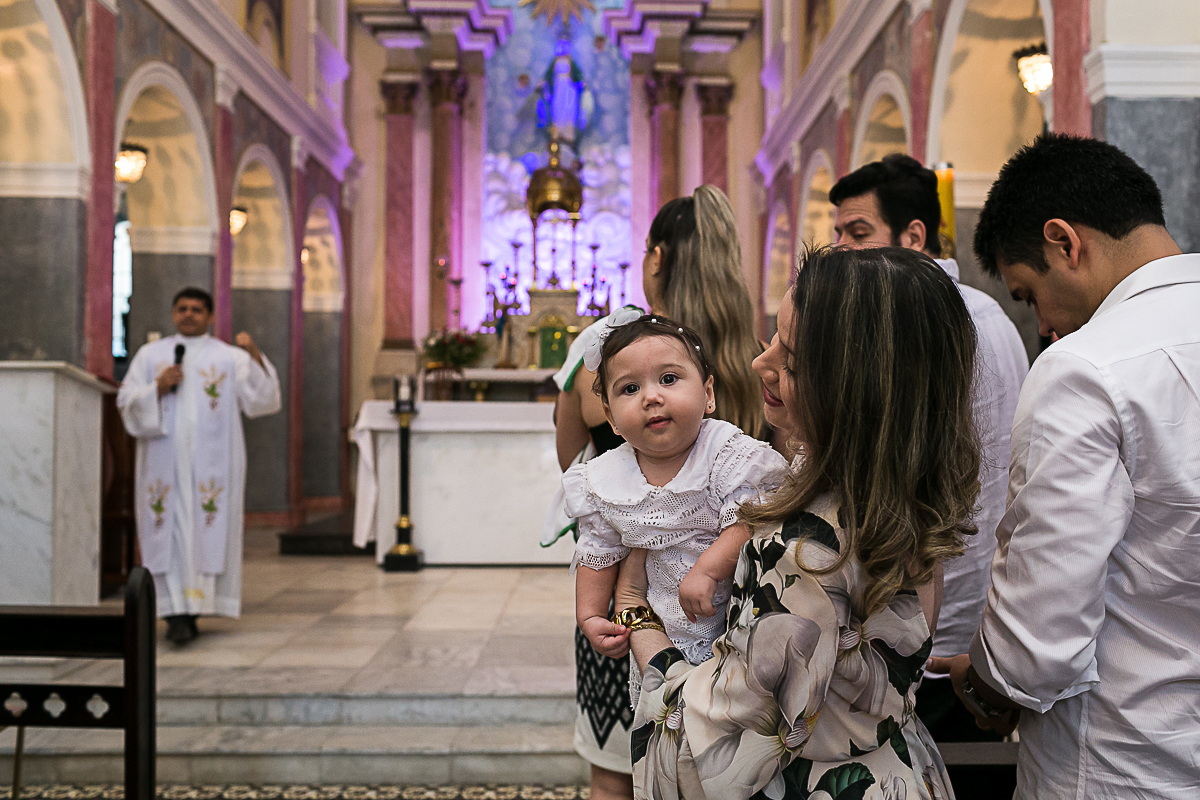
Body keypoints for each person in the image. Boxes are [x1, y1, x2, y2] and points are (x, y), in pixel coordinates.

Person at [617, 245, 981, 799]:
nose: (761, 363)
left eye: (789, 357)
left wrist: (638, 614)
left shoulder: (804, 549)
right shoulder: (900, 495)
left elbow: (707, 755)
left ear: (850, 385)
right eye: (773, 338)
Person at [926, 134, 1200, 799]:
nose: (1044, 321)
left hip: (1122, 761)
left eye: (1027, 294)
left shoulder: (1086, 367)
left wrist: (985, 682)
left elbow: (1040, 635)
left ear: (1063, 242)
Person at [549, 185, 766, 800]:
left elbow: (570, 454)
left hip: (626, 612)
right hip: (730, 610)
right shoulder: (755, 355)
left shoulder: (605, 351)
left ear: (658, 258)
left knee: (618, 771)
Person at [829, 154, 1028, 756]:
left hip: (934, 626)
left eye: (858, 232)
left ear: (914, 235)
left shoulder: (924, 320)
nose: (841, 248)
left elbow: (902, 474)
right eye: (837, 232)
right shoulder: (983, 310)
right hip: (973, 616)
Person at [566, 315, 787, 691]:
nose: (652, 397)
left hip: (731, 622)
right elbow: (597, 551)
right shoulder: (605, 478)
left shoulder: (725, 452)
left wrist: (707, 569)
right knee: (666, 721)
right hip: (656, 633)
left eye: (669, 379)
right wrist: (589, 615)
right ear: (611, 418)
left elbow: (749, 518)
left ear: (708, 394)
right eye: (630, 389)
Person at [117, 287, 281, 644]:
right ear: (173, 313)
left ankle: (192, 609)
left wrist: (255, 357)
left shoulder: (227, 357)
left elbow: (264, 401)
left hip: (212, 467)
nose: (188, 315)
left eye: (196, 309)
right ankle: (173, 611)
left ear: (209, 316)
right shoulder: (152, 355)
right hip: (164, 463)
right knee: (167, 533)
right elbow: (126, 400)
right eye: (182, 309)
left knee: (204, 528)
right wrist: (155, 390)